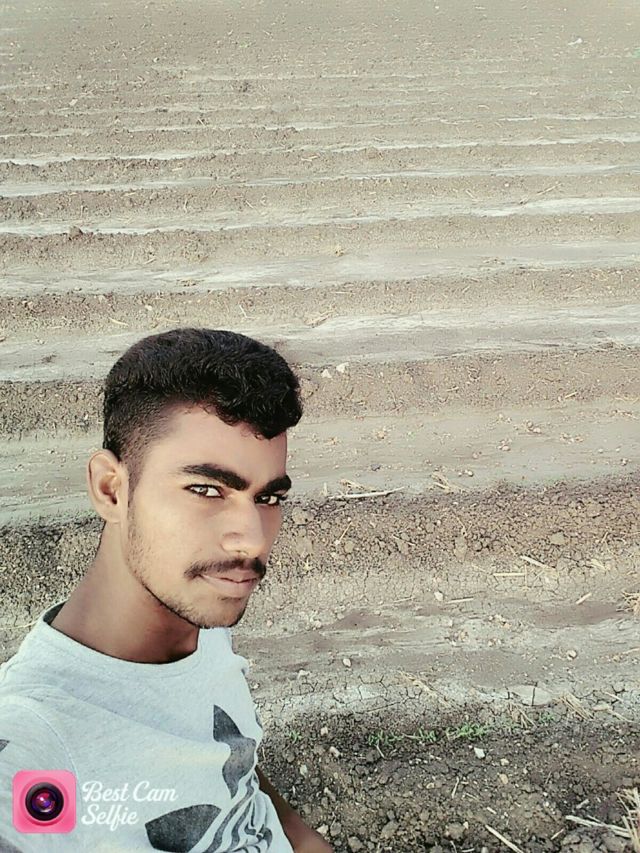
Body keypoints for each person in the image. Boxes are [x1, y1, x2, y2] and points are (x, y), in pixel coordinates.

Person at [0, 328, 333, 853]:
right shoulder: (38, 737)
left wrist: (302, 838)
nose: (251, 539)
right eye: (206, 490)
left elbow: (231, 764)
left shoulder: (198, 615)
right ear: (111, 489)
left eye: (268, 497)